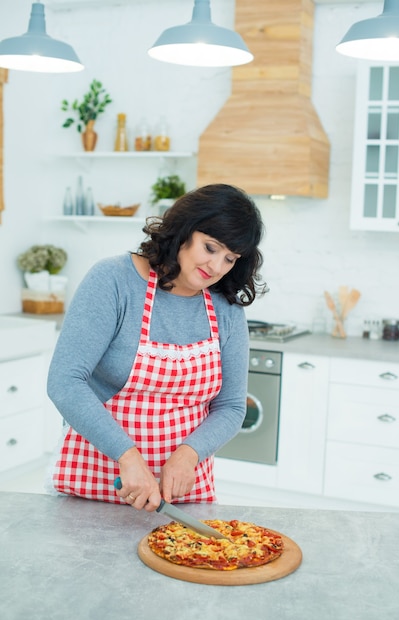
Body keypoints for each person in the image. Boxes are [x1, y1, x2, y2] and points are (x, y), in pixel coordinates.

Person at [47, 183, 266, 511]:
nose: (217, 267)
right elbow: (64, 383)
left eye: (230, 258)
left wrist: (187, 455)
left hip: (182, 497)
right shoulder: (114, 281)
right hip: (96, 487)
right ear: (184, 230)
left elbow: (233, 406)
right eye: (210, 247)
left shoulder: (226, 307)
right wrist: (128, 457)